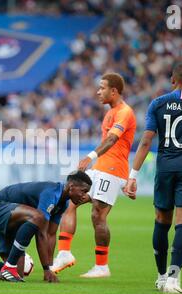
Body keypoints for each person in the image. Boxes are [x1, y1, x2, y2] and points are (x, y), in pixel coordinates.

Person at [124, 63, 182, 294]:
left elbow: (145, 142)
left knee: (161, 222)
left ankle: (161, 276)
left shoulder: (158, 103)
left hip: (165, 167)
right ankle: (174, 280)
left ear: (172, 80)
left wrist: (132, 175)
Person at [51, 73, 136, 278]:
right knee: (70, 201)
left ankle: (102, 266)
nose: (98, 92)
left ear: (113, 91)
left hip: (113, 169)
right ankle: (64, 253)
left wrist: (90, 156)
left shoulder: (124, 112)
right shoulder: (111, 112)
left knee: (98, 215)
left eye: (102, 88)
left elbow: (112, 140)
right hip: (101, 168)